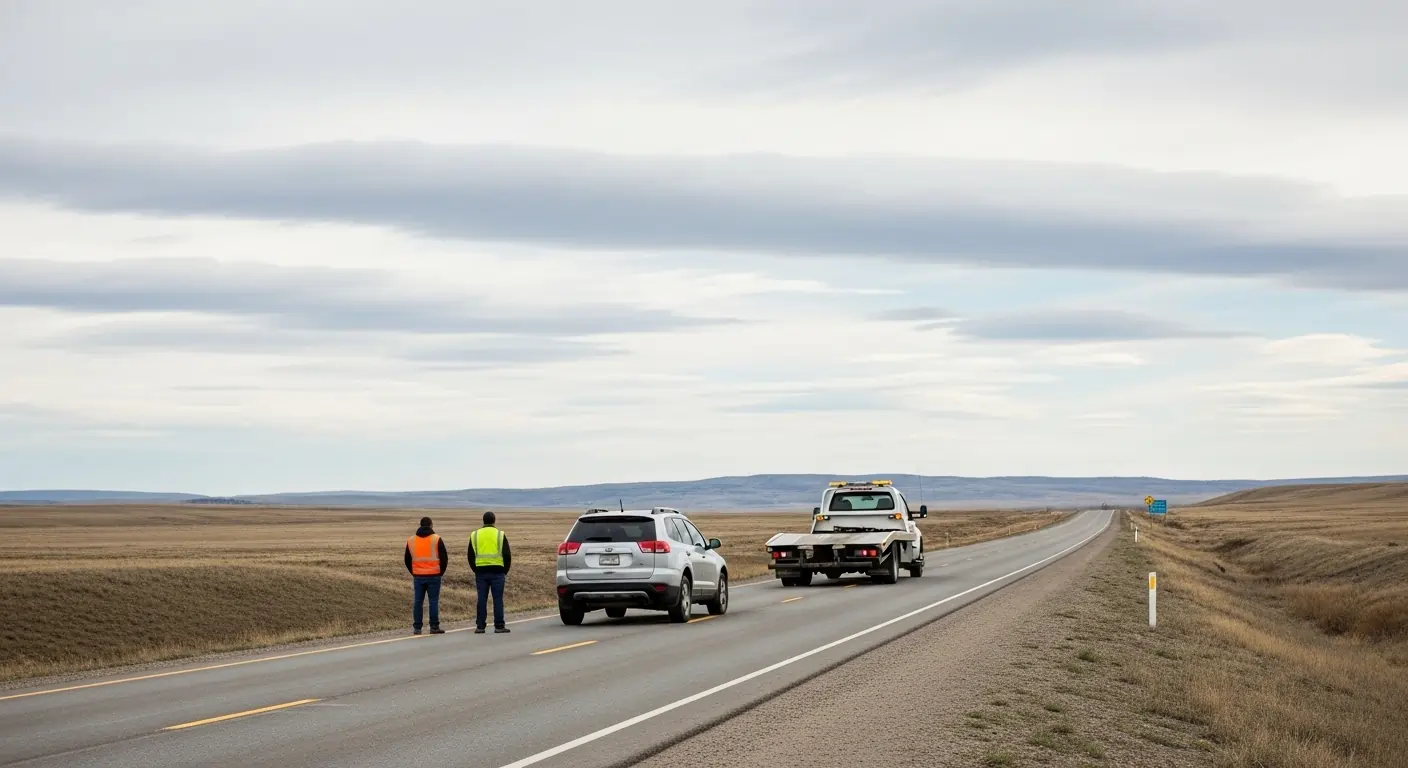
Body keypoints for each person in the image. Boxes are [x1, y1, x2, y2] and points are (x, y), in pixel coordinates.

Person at [467, 510, 512, 634]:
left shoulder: (475, 535)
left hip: (481, 572)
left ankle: (480, 626)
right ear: (494, 521)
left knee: (482, 599)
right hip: (498, 571)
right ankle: (499, 626)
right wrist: (504, 571)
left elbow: (470, 555)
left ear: (483, 521)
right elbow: (507, 554)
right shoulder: (500, 534)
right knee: (498, 599)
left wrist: (476, 569)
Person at [404, 516, 448, 634]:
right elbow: (444, 558)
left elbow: (407, 559)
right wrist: (440, 572)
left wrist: (414, 571)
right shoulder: (436, 539)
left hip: (418, 576)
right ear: (431, 525)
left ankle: (417, 628)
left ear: (420, 525)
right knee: (433, 601)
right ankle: (434, 627)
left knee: (418, 601)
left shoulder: (411, 540)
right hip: (434, 575)